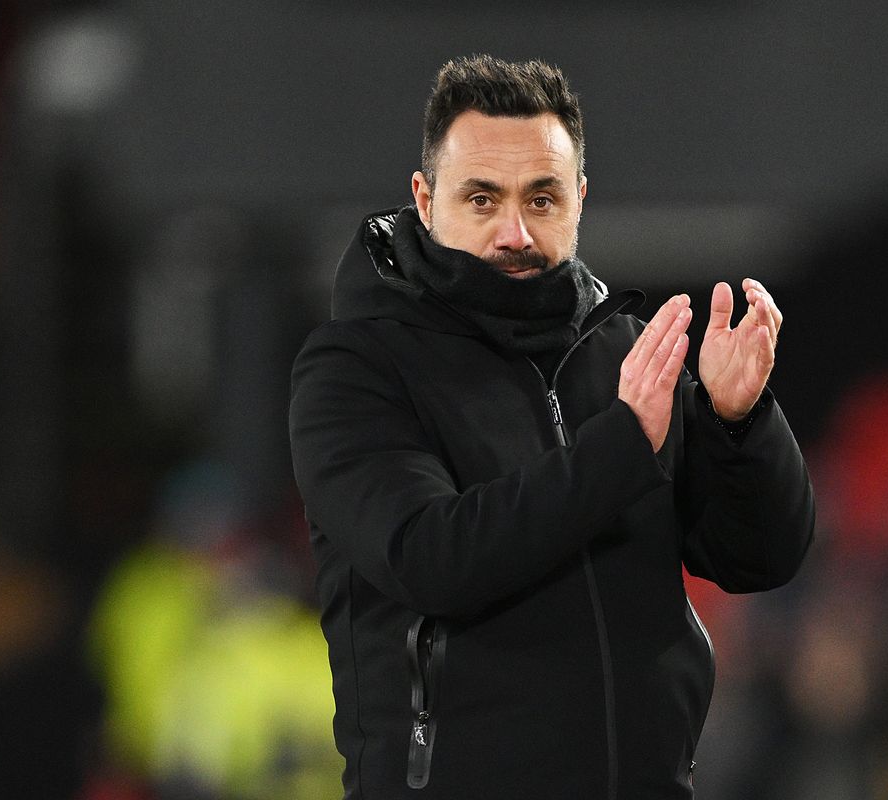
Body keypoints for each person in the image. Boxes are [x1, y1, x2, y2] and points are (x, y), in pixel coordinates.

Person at [289, 54, 815, 799]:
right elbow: (430, 556)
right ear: (425, 197)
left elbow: (761, 557)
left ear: (580, 199)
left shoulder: (628, 356)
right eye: (481, 200)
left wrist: (742, 423)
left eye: (541, 199)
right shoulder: (357, 365)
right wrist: (623, 444)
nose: (515, 233)